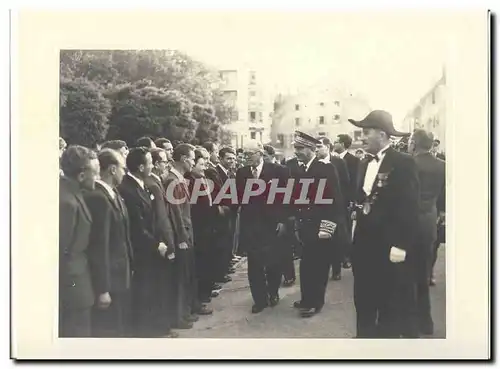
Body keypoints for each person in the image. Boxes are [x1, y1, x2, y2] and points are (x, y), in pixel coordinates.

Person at [348, 110, 420, 338]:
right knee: (363, 300)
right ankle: (364, 342)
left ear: (381, 134)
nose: (361, 137)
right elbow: (361, 199)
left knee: (389, 304)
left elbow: (409, 207)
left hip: (388, 247)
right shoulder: (363, 163)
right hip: (363, 246)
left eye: (365, 132)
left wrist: (401, 245)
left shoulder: (403, 163)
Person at [291, 132, 347, 318]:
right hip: (305, 226)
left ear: (311, 149)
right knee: (306, 265)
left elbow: (335, 201)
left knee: (319, 266)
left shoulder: (326, 169)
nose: (296, 152)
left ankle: (316, 302)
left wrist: (327, 228)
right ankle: (307, 298)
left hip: (320, 226)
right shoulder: (300, 170)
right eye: (296, 148)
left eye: (300, 149)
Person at [117, 147, 170, 337]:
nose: (152, 166)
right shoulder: (129, 189)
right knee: (145, 292)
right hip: (143, 251)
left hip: (151, 248)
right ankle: (148, 333)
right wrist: (157, 244)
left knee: (152, 291)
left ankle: (155, 329)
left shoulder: (140, 184)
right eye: (149, 163)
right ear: (141, 167)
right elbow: (138, 227)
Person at [84, 149, 133, 337]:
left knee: (120, 326)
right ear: (113, 169)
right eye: (123, 168)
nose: (124, 172)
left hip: (121, 274)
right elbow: (99, 245)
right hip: (110, 279)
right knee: (111, 330)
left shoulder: (113, 194)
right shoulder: (98, 198)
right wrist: (103, 288)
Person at [236, 140, 289, 313]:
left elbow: (286, 197)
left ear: (260, 153)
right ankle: (259, 299)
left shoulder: (278, 171)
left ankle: (273, 292)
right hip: (251, 225)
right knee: (254, 264)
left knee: (273, 261)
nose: (246, 158)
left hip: (272, 223)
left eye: (249, 154)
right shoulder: (242, 173)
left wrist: (282, 220)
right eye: (244, 155)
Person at [59, 145, 100, 337]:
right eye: (96, 173)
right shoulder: (66, 202)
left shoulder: (74, 194)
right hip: (72, 290)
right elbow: (60, 251)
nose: (98, 178)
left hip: (78, 287)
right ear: (82, 175)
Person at [408, 129, 445, 336]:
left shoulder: (409, 163)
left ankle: (410, 321)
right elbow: (444, 196)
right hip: (428, 222)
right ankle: (426, 322)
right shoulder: (442, 166)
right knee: (423, 273)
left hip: (409, 222)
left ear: (414, 143)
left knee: (406, 274)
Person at [143, 148, 181, 335]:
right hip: (161, 243)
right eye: (165, 162)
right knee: (161, 287)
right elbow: (162, 218)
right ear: (157, 165)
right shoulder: (154, 184)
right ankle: (161, 327)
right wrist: (170, 243)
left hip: (161, 241)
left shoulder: (154, 181)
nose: (167, 164)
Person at [164, 143, 200, 328]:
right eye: (192, 159)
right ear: (184, 159)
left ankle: (185, 313)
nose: (193, 163)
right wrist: (182, 238)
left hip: (187, 232)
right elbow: (176, 212)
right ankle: (179, 316)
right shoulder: (173, 180)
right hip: (183, 236)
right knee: (180, 278)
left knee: (186, 276)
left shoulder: (178, 179)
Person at [185, 148, 217, 314]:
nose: (204, 168)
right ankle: (197, 301)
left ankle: (203, 296)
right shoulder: (189, 182)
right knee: (198, 267)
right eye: (201, 164)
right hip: (198, 230)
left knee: (205, 265)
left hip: (207, 229)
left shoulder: (203, 179)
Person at [316, 136, 350, 281]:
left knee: (335, 238)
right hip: (319, 207)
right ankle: (322, 268)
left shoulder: (338, 162)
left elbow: (345, 183)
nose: (316, 150)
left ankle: (336, 268)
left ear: (328, 147)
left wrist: (344, 204)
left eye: (319, 146)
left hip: (336, 207)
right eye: (315, 147)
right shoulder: (314, 164)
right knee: (321, 238)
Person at [334, 134, 361, 268]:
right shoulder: (332, 159)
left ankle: (346, 257)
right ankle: (336, 257)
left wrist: (352, 200)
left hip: (346, 200)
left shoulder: (354, 160)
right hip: (334, 200)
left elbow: (354, 182)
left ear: (343, 144)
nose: (334, 143)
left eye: (337, 142)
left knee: (346, 229)